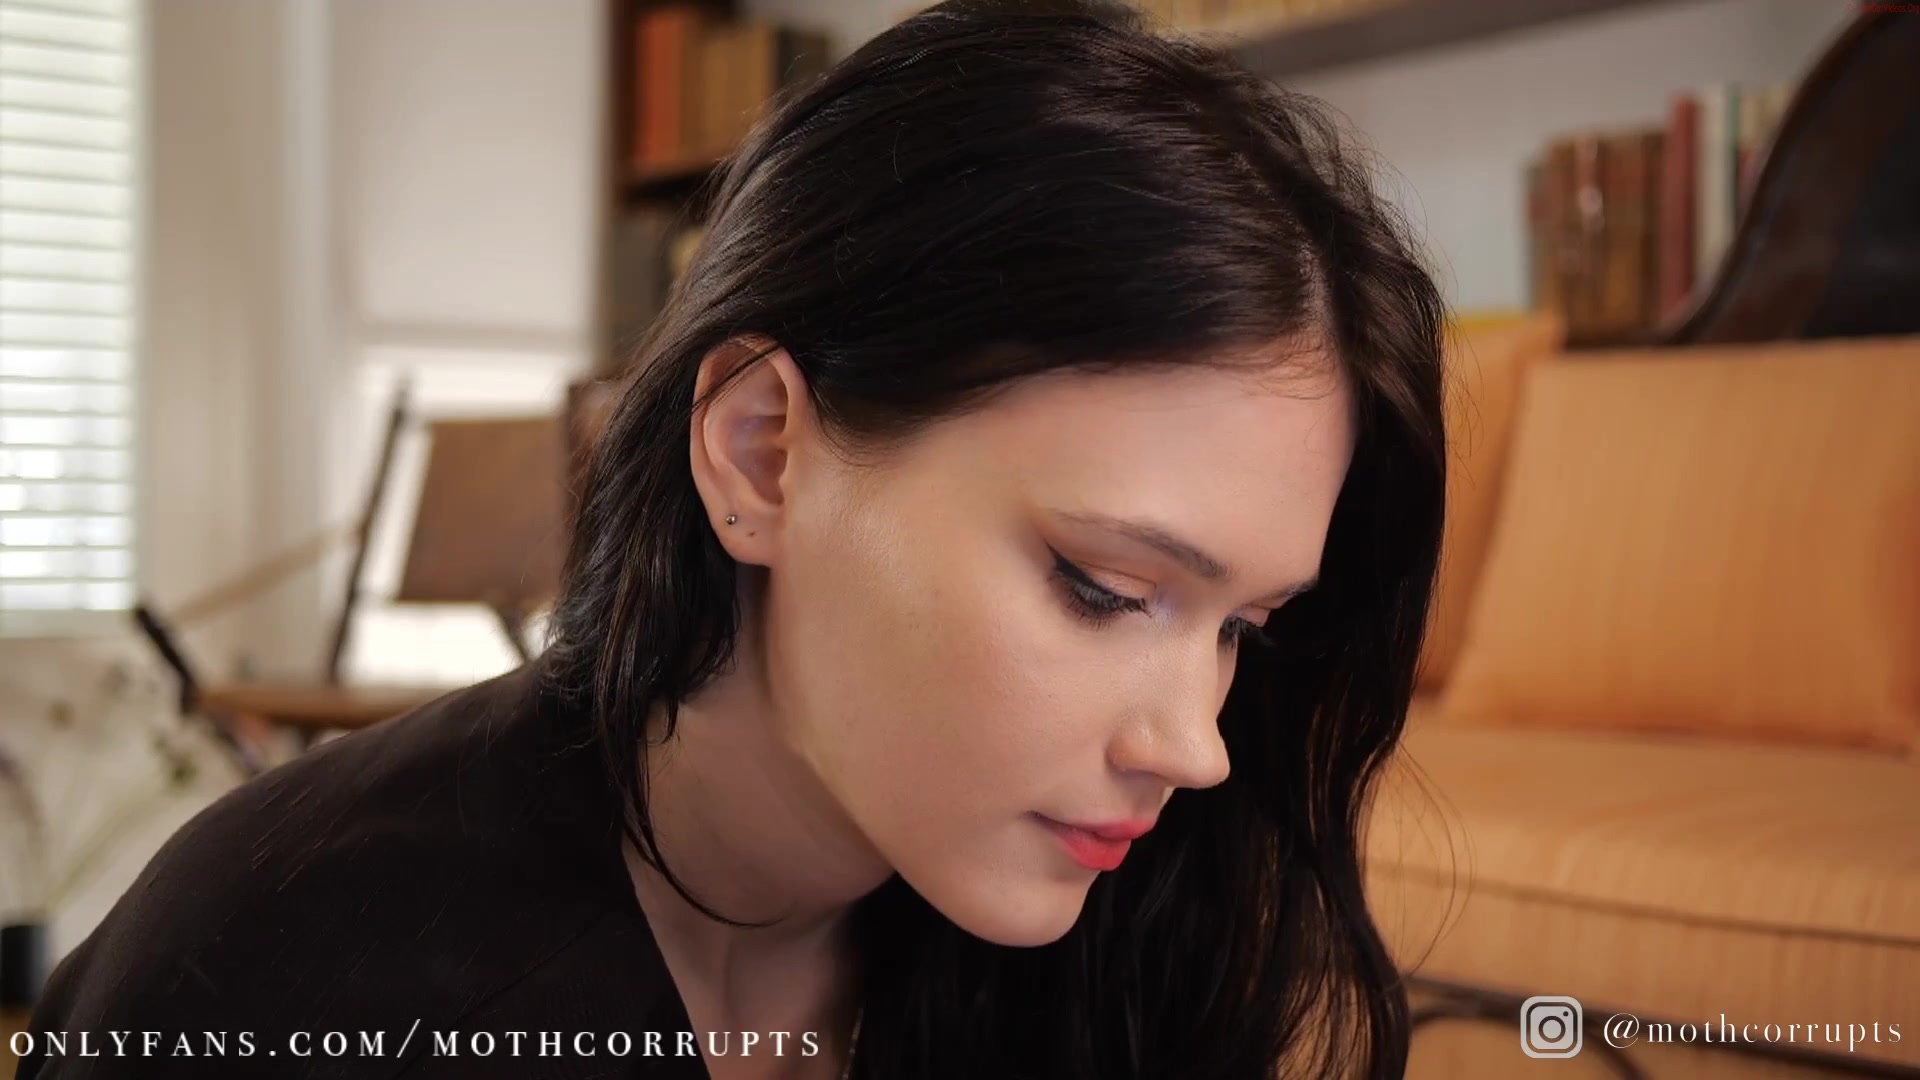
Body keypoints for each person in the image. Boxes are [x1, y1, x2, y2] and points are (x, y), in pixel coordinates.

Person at [20, 0, 1447, 1076]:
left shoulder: (1122, 951)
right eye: (1105, 587)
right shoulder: (281, 983)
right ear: (761, 452)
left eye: (1242, 630)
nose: (1196, 747)